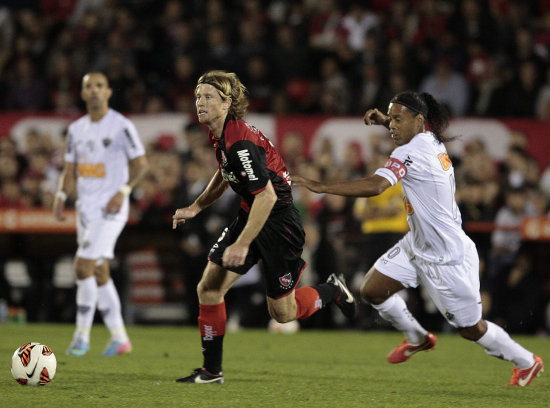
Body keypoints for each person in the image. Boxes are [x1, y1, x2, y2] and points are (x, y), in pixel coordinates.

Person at [293, 90, 543, 387]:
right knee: (372, 290)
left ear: (419, 119)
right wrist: (386, 120)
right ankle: (417, 337)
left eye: (398, 119)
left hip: (445, 257)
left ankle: (527, 361)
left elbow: (375, 186)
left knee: (471, 329)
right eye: (392, 119)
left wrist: (320, 186)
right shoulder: (429, 139)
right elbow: (406, 132)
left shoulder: (410, 152)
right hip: (418, 243)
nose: (393, 126)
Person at [171, 70, 356, 384]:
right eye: (198, 97)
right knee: (209, 288)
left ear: (227, 102)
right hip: (252, 213)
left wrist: (243, 243)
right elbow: (225, 172)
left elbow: (267, 196)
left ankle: (332, 290)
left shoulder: (240, 142)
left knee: (282, 313)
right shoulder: (223, 133)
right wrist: (197, 206)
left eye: (208, 97)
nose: (200, 103)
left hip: (279, 225)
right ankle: (211, 371)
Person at [53, 72, 149, 357]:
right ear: (82, 94)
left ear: (108, 92)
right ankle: (120, 337)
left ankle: (81, 335)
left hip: (111, 208)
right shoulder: (76, 129)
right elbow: (70, 169)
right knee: (98, 270)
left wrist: (124, 190)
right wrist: (60, 194)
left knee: (82, 265)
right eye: (88, 87)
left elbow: (142, 165)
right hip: (85, 208)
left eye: (99, 86)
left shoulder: (121, 126)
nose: (93, 91)